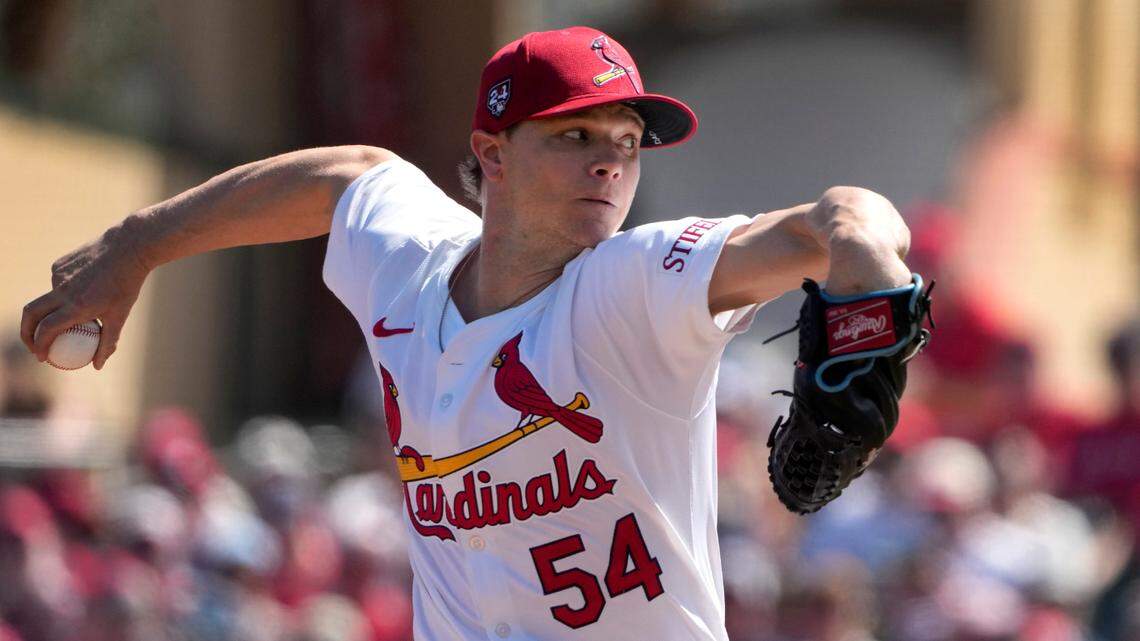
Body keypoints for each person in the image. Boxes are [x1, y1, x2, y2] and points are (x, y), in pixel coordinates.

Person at [21, 26, 911, 641]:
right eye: (574, 134)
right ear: (492, 152)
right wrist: (134, 245)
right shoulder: (409, 263)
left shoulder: (630, 286)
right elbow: (344, 175)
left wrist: (865, 257)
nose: (610, 159)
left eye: (628, 141)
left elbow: (826, 224)